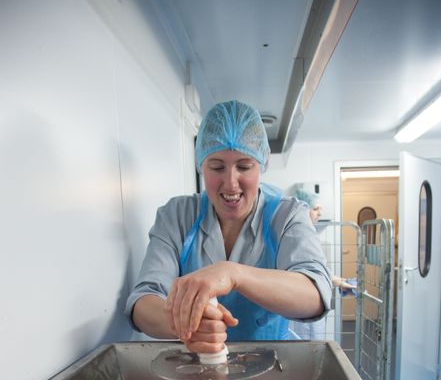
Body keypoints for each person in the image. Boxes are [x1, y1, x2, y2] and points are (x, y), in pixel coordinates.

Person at [125, 100, 332, 352]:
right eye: (217, 167)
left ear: (262, 164)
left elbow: (315, 294)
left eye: (244, 166)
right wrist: (184, 323)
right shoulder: (177, 216)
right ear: (201, 165)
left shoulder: (287, 216)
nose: (231, 183)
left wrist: (234, 274)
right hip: (195, 370)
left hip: (269, 373)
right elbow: (142, 302)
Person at [293, 189, 356, 339]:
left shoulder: (310, 234)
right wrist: (339, 282)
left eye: (320, 209)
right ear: (303, 209)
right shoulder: (298, 237)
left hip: (311, 301)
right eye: (315, 209)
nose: (320, 213)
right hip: (302, 301)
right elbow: (308, 274)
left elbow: (318, 270)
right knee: (304, 344)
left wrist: (341, 281)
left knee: (313, 342)